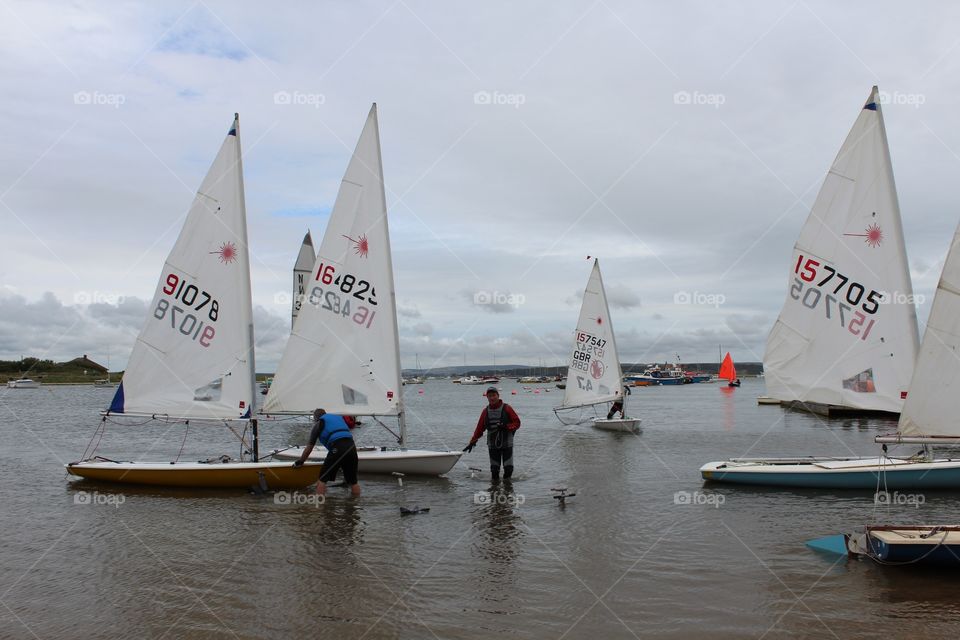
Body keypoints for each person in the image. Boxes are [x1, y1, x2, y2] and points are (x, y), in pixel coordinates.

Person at [293, 408, 360, 496]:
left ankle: (320, 502)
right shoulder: (338, 418)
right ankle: (355, 502)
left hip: (337, 447)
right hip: (351, 447)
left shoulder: (319, 423)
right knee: (353, 481)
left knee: (322, 479)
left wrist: (301, 461)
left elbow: (309, 448)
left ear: (316, 418)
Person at [464, 387, 521, 480]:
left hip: (507, 444)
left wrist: (506, 427)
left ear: (498, 396)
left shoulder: (507, 408)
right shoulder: (485, 411)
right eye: (489, 396)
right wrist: (472, 442)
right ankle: (495, 487)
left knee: (508, 469)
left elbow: (517, 423)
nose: (492, 398)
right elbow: (479, 429)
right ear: (487, 397)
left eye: (494, 395)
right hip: (492, 445)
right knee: (494, 470)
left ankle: (507, 487)